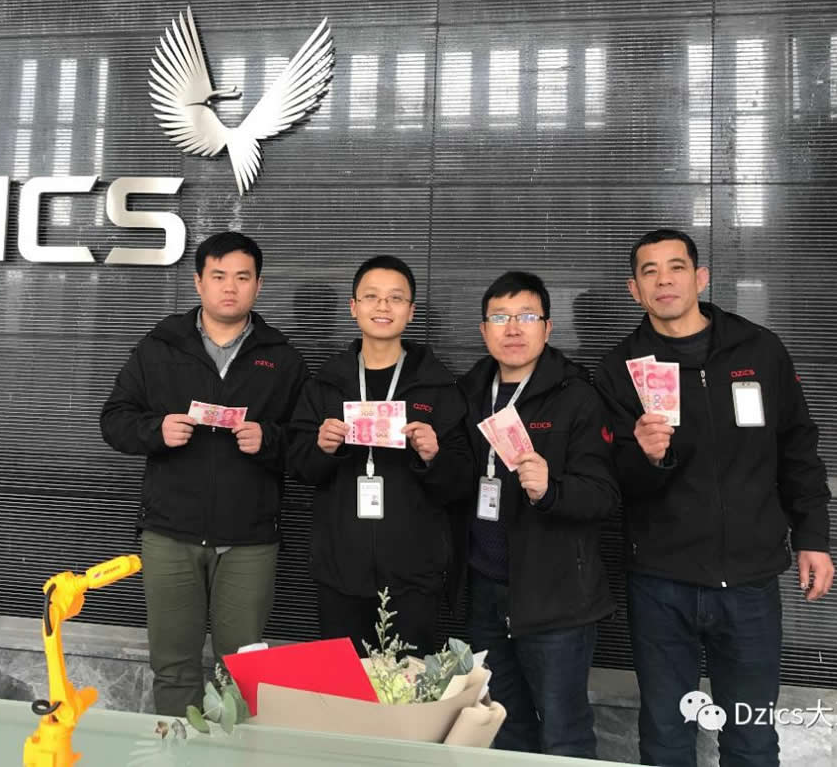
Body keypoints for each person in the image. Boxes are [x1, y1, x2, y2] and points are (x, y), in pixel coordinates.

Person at [595, 228, 834, 767]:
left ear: (700, 277)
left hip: (749, 582)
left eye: (676, 267)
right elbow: (610, 483)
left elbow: (798, 448)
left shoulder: (759, 349)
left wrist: (813, 537)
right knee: (666, 738)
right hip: (660, 583)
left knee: (752, 739)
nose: (664, 281)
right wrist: (646, 456)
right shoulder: (619, 369)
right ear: (634, 289)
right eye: (649, 272)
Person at [100, 231, 308, 716]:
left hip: (249, 538)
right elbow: (113, 420)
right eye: (218, 276)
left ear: (258, 285)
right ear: (198, 282)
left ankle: (235, 751)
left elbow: (307, 443)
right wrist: (156, 430)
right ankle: (175, 749)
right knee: (173, 666)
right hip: (170, 533)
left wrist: (269, 439)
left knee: (242, 671)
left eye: (242, 277)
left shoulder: (282, 358)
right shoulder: (159, 346)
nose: (229, 287)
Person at [455, 271, 618, 758]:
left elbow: (604, 495)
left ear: (548, 327)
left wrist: (552, 490)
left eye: (527, 317)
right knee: (504, 726)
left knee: (564, 732)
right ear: (483, 330)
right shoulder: (467, 392)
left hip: (556, 597)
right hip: (485, 592)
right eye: (500, 318)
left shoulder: (577, 396)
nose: (513, 329)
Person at [288, 255, 475, 656]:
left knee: (409, 686)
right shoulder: (325, 383)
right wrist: (322, 449)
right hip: (340, 572)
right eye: (371, 296)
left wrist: (434, 457)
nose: (383, 306)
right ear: (353, 307)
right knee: (346, 686)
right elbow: (298, 466)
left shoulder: (438, 386)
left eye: (395, 298)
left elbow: (462, 480)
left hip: (415, 577)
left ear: (411, 311)